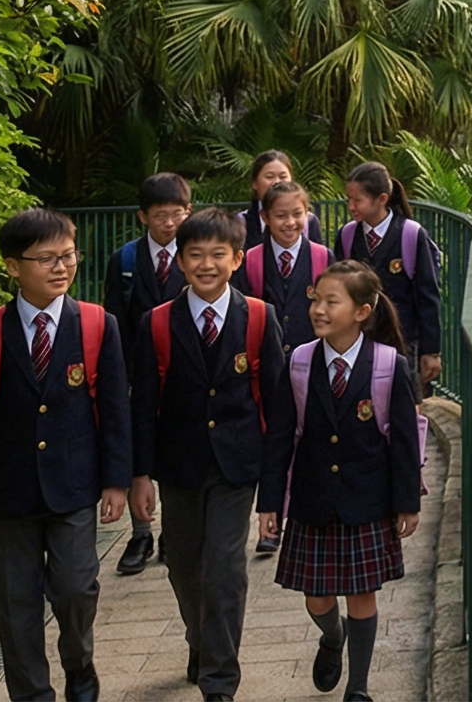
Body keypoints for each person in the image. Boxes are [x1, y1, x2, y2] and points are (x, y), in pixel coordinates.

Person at [0, 208, 131, 702]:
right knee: (16, 602)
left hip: (74, 486)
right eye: (46, 258)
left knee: (74, 589)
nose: (60, 267)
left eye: (67, 255)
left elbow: (113, 410)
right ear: (12, 266)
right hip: (9, 491)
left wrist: (117, 480)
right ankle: (31, 694)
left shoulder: (96, 324)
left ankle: (81, 673)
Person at [132, 210, 293, 702]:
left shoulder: (260, 317)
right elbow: (142, 406)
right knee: (183, 565)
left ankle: (219, 680)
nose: (206, 265)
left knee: (225, 568)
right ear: (179, 261)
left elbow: (277, 405)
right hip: (178, 466)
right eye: (195, 255)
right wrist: (139, 474)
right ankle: (200, 641)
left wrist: (274, 490)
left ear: (237, 258)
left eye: (217, 255)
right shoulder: (156, 323)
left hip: (237, 466)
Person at [269, 260, 424, 702]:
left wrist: (406, 502)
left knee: (362, 596)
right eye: (315, 299)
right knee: (317, 598)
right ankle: (331, 635)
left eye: (330, 301)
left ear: (362, 311)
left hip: (368, 500)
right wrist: (269, 505)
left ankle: (358, 688)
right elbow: (280, 438)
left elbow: (404, 442)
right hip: (312, 501)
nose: (318, 309)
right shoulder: (298, 362)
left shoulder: (388, 365)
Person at [103, 171, 191, 575]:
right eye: (160, 215)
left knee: (175, 449)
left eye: (176, 214)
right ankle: (140, 533)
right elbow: (115, 321)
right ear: (143, 217)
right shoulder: (124, 260)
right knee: (138, 447)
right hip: (138, 373)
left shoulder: (197, 257)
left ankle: (173, 532)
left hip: (184, 372)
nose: (169, 223)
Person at [237, 179, 327, 556]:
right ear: (264, 218)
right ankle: (269, 521)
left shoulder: (323, 256)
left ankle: (311, 512)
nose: (290, 223)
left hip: (313, 364)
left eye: (297, 214)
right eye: (280, 216)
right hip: (268, 368)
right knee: (273, 441)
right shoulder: (252, 260)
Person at [336, 163, 443, 389]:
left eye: (358, 200)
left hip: (403, 341)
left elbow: (427, 295)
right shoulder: (347, 235)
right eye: (349, 199)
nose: (351, 206)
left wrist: (431, 351)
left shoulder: (411, 234)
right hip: (360, 338)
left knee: (403, 400)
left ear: (382, 199)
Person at [239, 149, 321, 248]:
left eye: (283, 176)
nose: (277, 182)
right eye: (269, 177)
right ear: (255, 183)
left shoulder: (309, 221)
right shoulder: (241, 222)